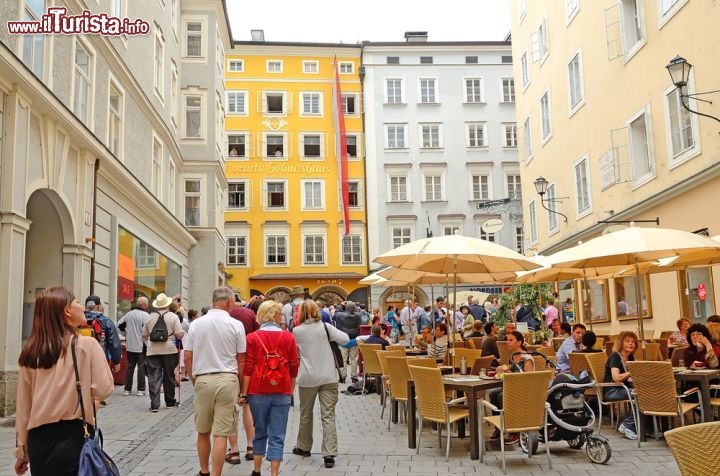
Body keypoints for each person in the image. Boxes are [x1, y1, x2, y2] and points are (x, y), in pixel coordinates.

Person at [15, 286, 114, 476]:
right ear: (66, 311)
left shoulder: (31, 352)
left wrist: (22, 452)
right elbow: (103, 389)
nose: (82, 307)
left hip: (39, 442)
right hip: (73, 437)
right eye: (77, 302)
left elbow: (24, 407)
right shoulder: (87, 345)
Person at [184, 287, 246, 476]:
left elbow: (187, 356)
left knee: (203, 431)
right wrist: (242, 388)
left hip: (203, 378)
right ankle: (216, 474)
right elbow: (241, 358)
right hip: (228, 379)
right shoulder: (236, 324)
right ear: (228, 301)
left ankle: (204, 470)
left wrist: (193, 378)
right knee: (222, 433)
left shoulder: (196, 324)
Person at [240, 300, 299, 476]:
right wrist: (291, 388)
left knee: (260, 431)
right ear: (274, 315)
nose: (282, 317)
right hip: (282, 390)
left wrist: (244, 393)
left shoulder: (252, 337)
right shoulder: (288, 337)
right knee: (278, 435)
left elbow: (248, 367)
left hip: (257, 390)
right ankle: (274, 473)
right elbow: (294, 366)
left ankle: (256, 470)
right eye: (280, 313)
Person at [291, 299, 349, 469]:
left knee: (306, 414)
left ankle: (304, 447)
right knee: (328, 415)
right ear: (317, 311)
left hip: (307, 378)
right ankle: (329, 453)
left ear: (300, 312)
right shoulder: (325, 327)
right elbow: (345, 339)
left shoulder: (296, 331)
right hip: (329, 377)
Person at [487, 331, 534, 444]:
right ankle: (498, 428)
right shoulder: (512, 357)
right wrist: (501, 370)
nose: (507, 342)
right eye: (507, 340)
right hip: (513, 388)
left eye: (511, 340)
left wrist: (507, 372)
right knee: (493, 393)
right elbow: (510, 373)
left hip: (524, 390)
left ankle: (515, 431)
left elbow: (529, 379)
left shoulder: (526, 359)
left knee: (502, 396)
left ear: (519, 342)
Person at [229, 303, 260, 463]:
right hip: (248, 365)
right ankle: (251, 446)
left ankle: (234, 451)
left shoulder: (225, 316)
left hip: (229, 367)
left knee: (229, 410)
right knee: (248, 407)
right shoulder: (249, 314)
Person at [143, 292, 185, 412]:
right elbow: (179, 334)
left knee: (153, 377)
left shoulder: (150, 317)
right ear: (167, 305)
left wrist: (152, 341)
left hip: (152, 351)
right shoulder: (173, 317)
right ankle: (170, 401)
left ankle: (154, 404)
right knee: (169, 376)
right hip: (169, 350)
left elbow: (145, 335)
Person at [604, 331, 639, 440]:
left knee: (645, 393)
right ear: (621, 343)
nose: (630, 344)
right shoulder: (615, 356)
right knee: (640, 395)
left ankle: (646, 427)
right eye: (627, 341)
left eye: (633, 342)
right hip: (612, 390)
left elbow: (629, 378)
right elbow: (616, 377)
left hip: (623, 388)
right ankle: (627, 425)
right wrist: (632, 371)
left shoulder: (630, 357)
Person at [117, 296, 150, 396]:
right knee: (141, 366)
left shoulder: (129, 314)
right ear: (144, 305)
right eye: (147, 304)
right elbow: (147, 330)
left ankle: (127, 389)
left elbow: (118, 325)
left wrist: (125, 334)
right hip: (141, 344)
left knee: (130, 366)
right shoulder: (146, 315)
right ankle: (141, 389)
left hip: (130, 344)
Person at [84, 295, 122, 374]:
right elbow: (114, 344)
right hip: (100, 360)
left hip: (80, 359)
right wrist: (116, 361)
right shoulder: (105, 321)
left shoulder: (79, 319)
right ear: (98, 307)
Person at [334, 301, 362, 383]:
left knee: (343, 360)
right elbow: (359, 312)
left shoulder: (339, 315)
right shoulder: (357, 316)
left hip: (343, 340)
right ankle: (354, 377)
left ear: (346, 307)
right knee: (354, 359)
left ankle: (342, 377)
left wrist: (341, 305)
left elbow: (335, 314)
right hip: (353, 339)